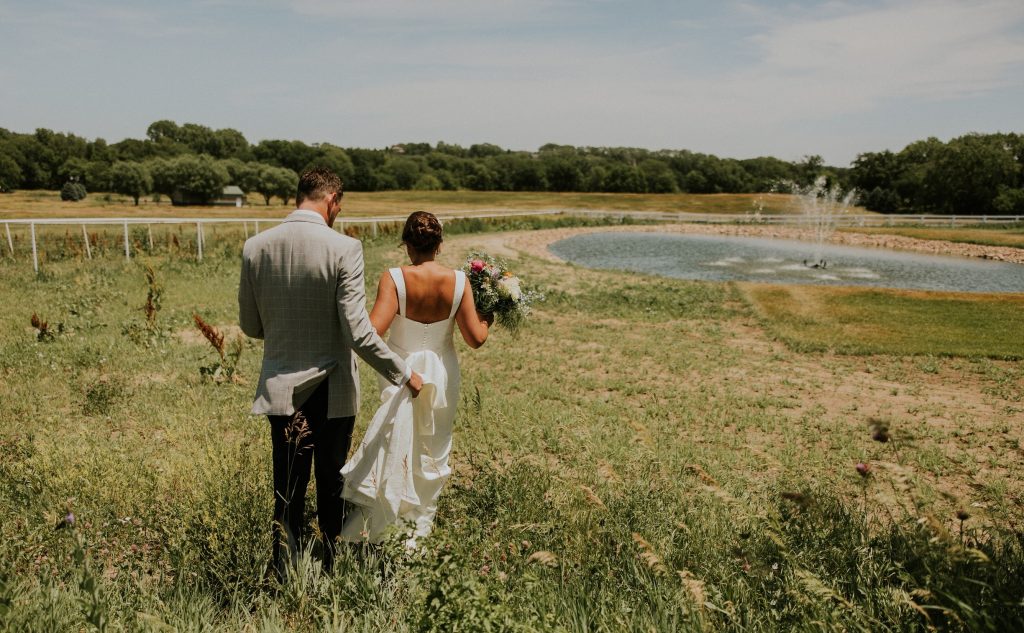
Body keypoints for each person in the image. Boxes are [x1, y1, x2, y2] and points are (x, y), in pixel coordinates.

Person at [238, 167, 423, 577]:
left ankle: (283, 568)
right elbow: (358, 331)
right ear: (332, 200)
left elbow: (251, 327)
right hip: (332, 388)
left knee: (286, 487)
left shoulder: (255, 247)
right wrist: (401, 372)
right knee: (331, 484)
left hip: (281, 389)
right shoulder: (344, 248)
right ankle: (333, 566)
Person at [339, 211, 491, 548]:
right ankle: (417, 531)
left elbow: (373, 332)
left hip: (399, 371)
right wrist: (488, 317)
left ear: (407, 244)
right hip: (442, 371)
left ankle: (384, 520)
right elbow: (476, 338)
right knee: (434, 447)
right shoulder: (459, 281)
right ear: (440, 245)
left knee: (396, 439)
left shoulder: (394, 278)